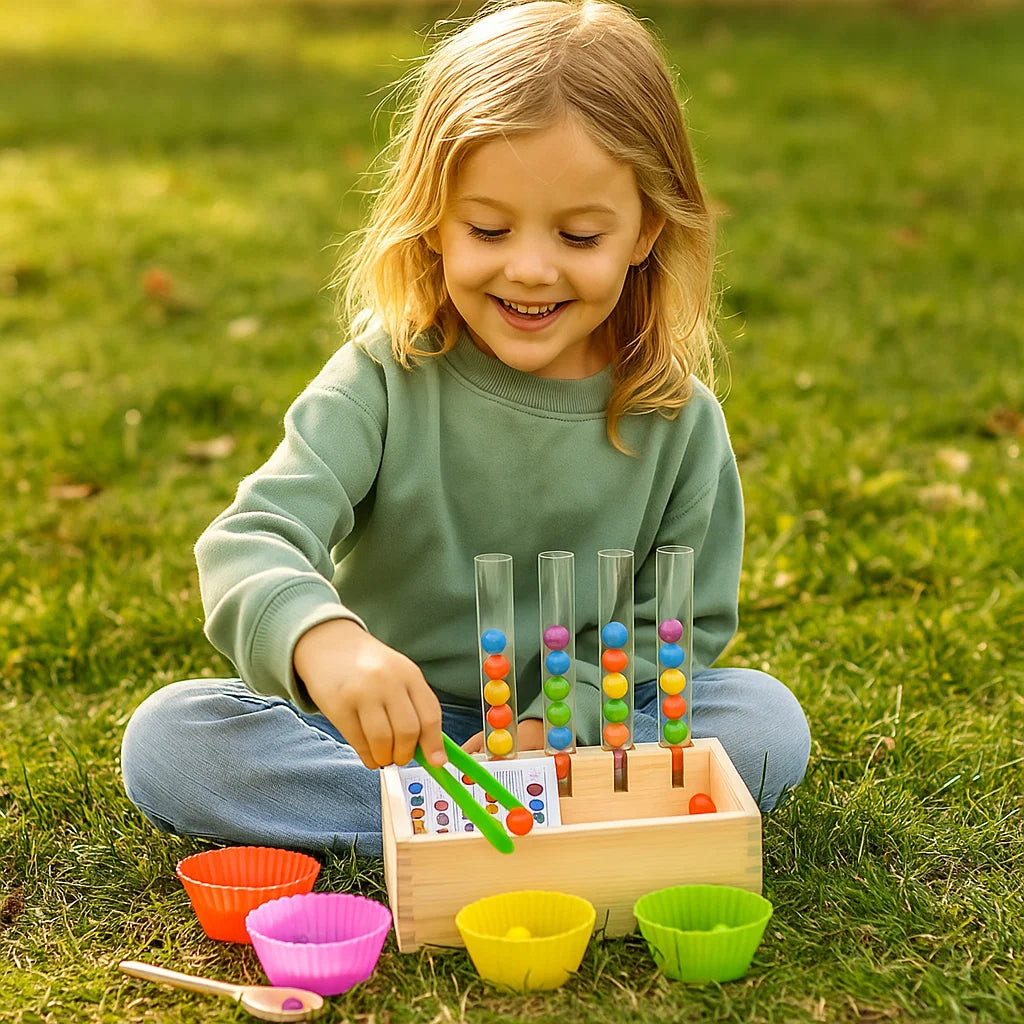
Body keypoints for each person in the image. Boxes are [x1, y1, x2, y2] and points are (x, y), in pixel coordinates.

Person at [121, 0, 810, 856]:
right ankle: (478, 826)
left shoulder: (676, 420)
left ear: (645, 232)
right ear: (435, 220)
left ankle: (469, 823)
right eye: (488, 228)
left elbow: (676, 627)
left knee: (764, 721)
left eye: (580, 233)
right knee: (174, 739)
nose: (529, 267)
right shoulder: (383, 377)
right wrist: (327, 646)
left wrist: (559, 726)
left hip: (575, 745)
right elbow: (252, 537)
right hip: (387, 743)